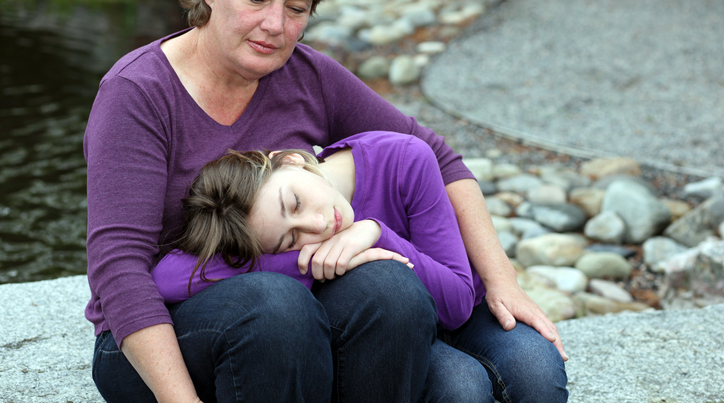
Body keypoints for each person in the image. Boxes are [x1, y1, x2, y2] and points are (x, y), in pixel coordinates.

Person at [83, 0, 567, 401]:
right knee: (278, 305)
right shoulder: (138, 95)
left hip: (309, 313)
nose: (274, 26)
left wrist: (503, 281)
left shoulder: (305, 74)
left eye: (296, 9)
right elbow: (120, 268)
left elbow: (441, 161)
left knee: (520, 368)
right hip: (165, 329)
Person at [152, 131, 568, 402]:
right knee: (461, 390)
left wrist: (376, 233)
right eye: (290, 238)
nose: (316, 225)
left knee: (537, 377)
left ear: (290, 161)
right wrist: (306, 262)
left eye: (295, 202)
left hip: (455, 305)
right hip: (390, 332)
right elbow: (167, 278)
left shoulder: (403, 159)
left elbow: (458, 303)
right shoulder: (280, 235)